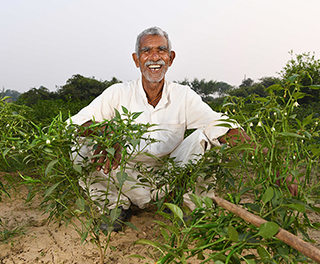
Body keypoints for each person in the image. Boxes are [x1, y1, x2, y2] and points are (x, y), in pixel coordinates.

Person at [68, 26, 296, 231]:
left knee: (206, 136)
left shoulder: (183, 95)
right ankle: (113, 207)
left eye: (161, 50)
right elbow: (75, 124)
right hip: (121, 178)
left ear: (171, 58)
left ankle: (187, 205)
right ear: (136, 59)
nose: (154, 57)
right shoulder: (117, 93)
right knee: (81, 143)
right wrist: (104, 133)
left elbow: (220, 125)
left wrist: (272, 165)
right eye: (147, 51)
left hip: (164, 179)